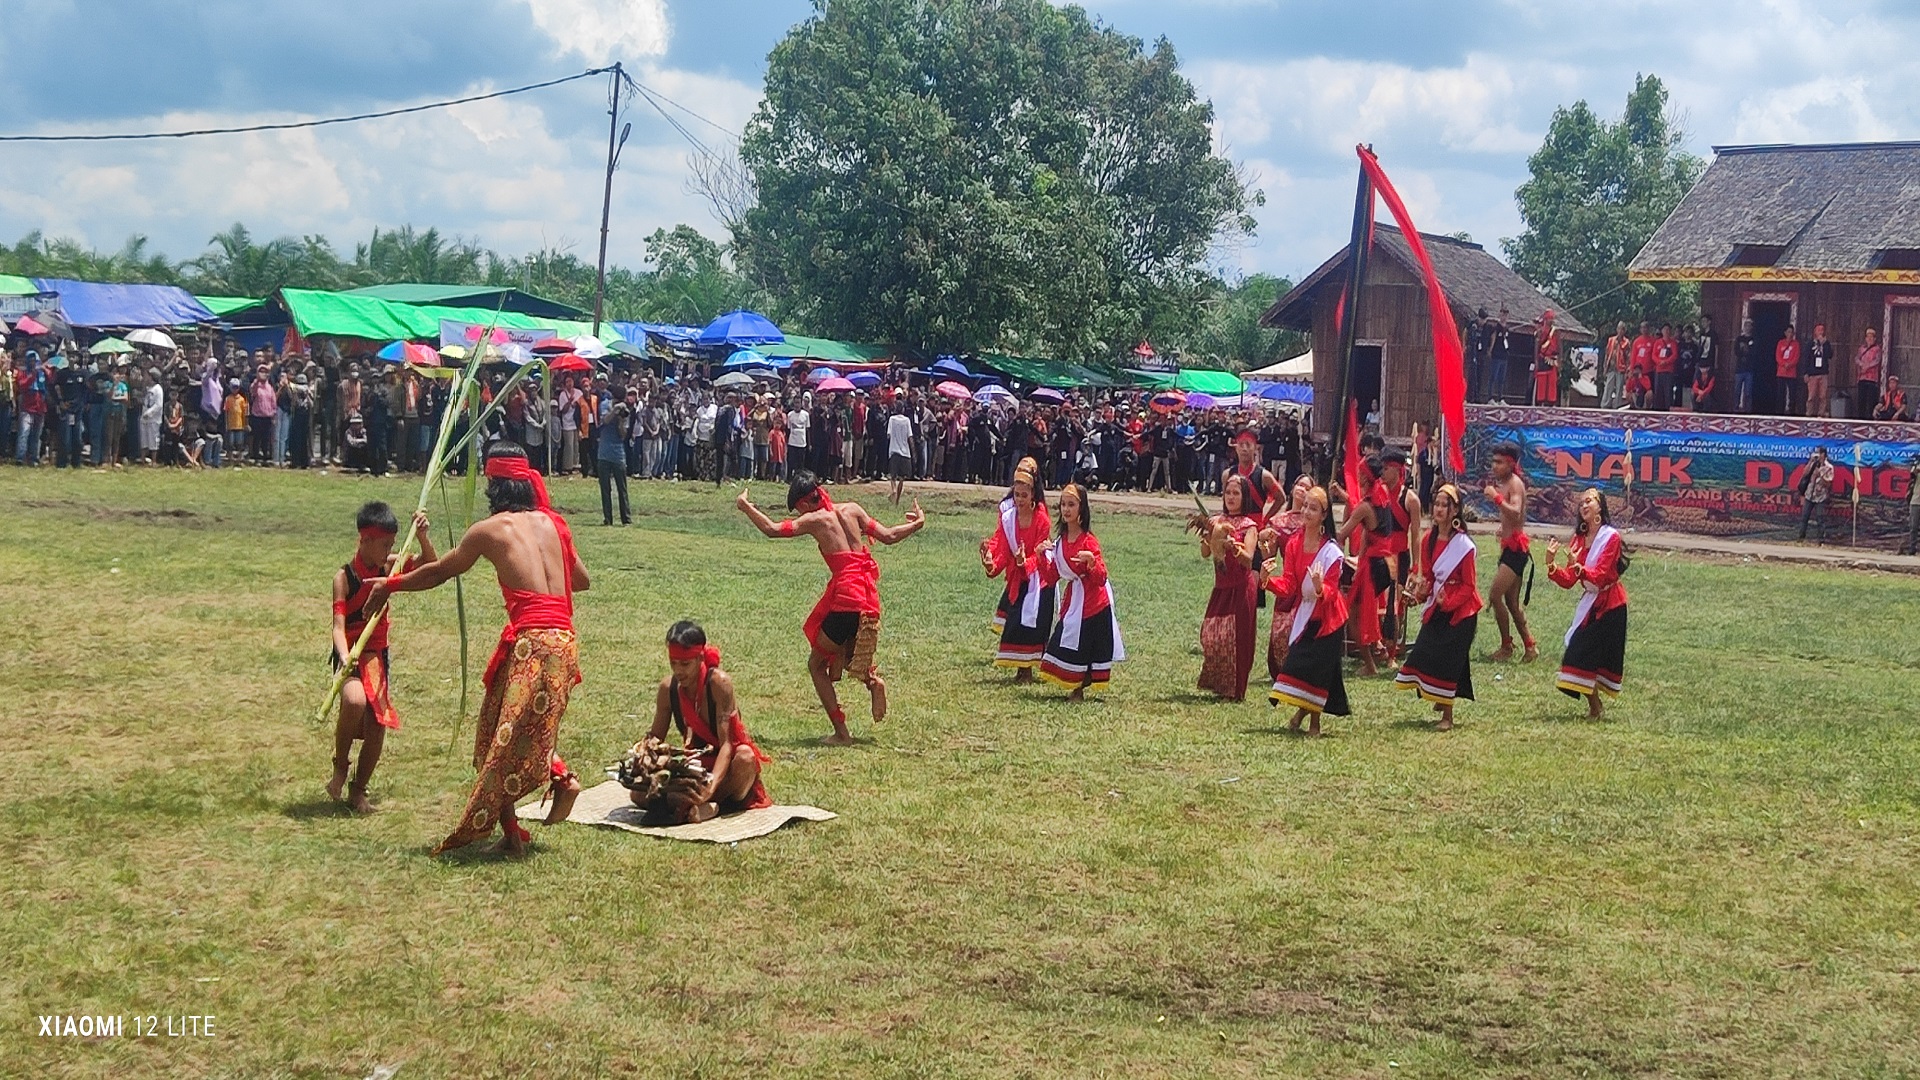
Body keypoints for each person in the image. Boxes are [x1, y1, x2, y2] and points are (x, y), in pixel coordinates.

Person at [364, 443, 590, 857]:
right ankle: (513, 835)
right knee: (496, 732)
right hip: (563, 643)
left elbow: (439, 572)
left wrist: (389, 585)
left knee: (502, 741)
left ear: (492, 486)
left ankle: (561, 780)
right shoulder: (554, 523)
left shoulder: (488, 530)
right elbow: (581, 581)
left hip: (532, 646)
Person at [735, 471, 925, 744]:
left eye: (799, 508)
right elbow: (889, 535)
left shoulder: (814, 520)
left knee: (816, 665)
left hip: (846, 599)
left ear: (803, 503)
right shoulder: (853, 509)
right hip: (868, 597)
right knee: (844, 653)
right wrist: (917, 523)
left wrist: (745, 506)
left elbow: (772, 530)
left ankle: (842, 733)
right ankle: (872, 681)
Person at [328, 502, 435, 814]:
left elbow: (431, 566)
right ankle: (340, 765)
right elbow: (337, 627)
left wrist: (423, 537)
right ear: (365, 540)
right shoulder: (343, 578)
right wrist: (345, 656)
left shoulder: (390, 567)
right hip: (350, 654)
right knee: (354, 701)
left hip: (376, 656)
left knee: (377, 725)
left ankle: (358, 790)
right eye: (385, 544)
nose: (390, 550)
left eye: (392, 544)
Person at [642, 621, 773, 822]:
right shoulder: (668, 689)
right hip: (694, 765)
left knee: (746, 758)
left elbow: (727, 745)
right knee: (637, 793)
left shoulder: (719, 684)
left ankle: (708, 803)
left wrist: (710, 789)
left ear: (700, 658)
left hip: (726, 768)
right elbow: (656, 738)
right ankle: (701, 806)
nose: (678, 671)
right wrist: (643, 755)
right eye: (673, 663)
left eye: (685, 664)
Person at [1393, 484, 1480, 731]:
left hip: (1461, 612)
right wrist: (1420, 594)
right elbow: (1430, 577)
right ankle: (1441, 698)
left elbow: (1469, 586)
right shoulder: (1428, 540)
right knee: (1426, 650)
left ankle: (1447, 716)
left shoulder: (1463, 546)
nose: (1439, 509)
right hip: (1439, 607)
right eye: (1437, 504)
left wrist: (1448, 602)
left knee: (1449, 661)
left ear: (1455, 511)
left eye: (1445, 505)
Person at [1266, 485, 1348, 735]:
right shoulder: (1294, 544)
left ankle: (1314, 724)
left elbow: (1332, 591)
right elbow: (1290, 584)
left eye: (1313, 508)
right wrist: (1267, 582)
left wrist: (1320, 587)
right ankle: (1301, 715)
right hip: (1306, 613)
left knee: (1318, 672)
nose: (1306, 512)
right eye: (1305, 506)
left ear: (1324, 515)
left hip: (1329, 619)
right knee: (1303, 666)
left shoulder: (1331, 552)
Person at [1544, 488, 1629, 719]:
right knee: (1578, 653)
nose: (1584, 505)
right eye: (1581, 502)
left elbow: (1600, 576)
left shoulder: (1611, 537)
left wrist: (1579, 568)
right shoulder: (1578, 539)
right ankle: (1595, 706)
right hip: (1591, 603)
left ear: (1600, 507)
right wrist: (1551, 564)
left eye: (1589, 501)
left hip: (1611, 605)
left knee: (1584, 655)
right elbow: (1569, 580)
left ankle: (1595, 707)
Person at [1036, 482, 1124, 700]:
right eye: (1063, 505)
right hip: (1074, 603)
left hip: (1094, 604)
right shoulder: (1060, 543)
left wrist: (1092, 562)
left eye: (1071, 505)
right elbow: (1052, 577)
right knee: (1066, 640)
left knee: (1085, 648)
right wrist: (1040, 556)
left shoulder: (1088, 541)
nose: (1066, 509)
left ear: (1081, 509)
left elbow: (1101, 578)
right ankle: (1074, 684)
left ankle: (1078, 688)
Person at [980, 456, 1053, 681]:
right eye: (1017, 495)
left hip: (1038, 579)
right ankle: (1022, 669)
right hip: (1018, 577)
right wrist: (991, 562)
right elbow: (1002, 547)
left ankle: (1027, 669)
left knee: (1031, 624)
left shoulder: (1042, 519)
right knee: (1017, 622)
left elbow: (1041, 552)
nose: (1019, 500)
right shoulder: (1008, 517)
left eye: (1024, 495)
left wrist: (1025, 562)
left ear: (1033, 494)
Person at [1193, 473, 1261, 701]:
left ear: (1244, 497)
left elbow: (1248, 560)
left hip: (1241, 588)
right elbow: (1205, 554)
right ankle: (1220, 683)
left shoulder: (1249, 526)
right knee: (1212, 635)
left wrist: (1234, 548)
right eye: (1228, 493)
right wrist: (1208, 536)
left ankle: (1236, 690)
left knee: (1238, 640)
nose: (1231, 497)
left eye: (1236, 493)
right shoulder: (1217, 521)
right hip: (1221, 586)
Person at [1482, 442, 1537, 662]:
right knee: (1512, 603)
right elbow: (1513, 519)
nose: (1494, 466)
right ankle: (1530, 646)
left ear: (1511, 464)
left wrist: (1496, 497)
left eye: (1499, 462)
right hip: (1510, 548)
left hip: (1516, 551)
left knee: (1495, 596)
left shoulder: (1514, 484)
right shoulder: (1507, 483)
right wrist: (1503, 529)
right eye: (1493, 461)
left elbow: (1515, 511)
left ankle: (1506, 646)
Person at [596, 387, 631, 526]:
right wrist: (614, 411)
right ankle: (608, 519)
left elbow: (623, 435)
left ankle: (626, 518)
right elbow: (604, 421)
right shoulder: (605, 404)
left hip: (618, 454)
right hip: (604, 453)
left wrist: (621, 421)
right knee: (605, 488)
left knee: (622, 488)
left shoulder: (625, 410)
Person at [1796, 446, 1835, 544]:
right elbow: (1805, 474)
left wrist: (1820, 475)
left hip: (1820, 496)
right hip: (1809, 494)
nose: (1817, 455)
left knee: (1820, 518)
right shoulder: (1813, 464)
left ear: (1823, 454)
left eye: (1819, 453)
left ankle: (1821, 540)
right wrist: (1810, 461)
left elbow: (1829, 484)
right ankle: (1801, 538)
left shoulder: (1829, 467)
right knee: (1804, 516)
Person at [886, 403, 913, 507]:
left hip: (894, 451)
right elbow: (910, 437)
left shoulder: (892, 419)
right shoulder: (907, 420)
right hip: (905, 452)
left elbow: (888, 435)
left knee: (893, 476)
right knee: (902, 478)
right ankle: (897, 501)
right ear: (903, 410)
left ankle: (893, 490)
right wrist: (913, 451)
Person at [1531, 310, 1560, 406]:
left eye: (1552, 318)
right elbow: (1537, 347)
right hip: (1542, 358)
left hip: (1552, 360)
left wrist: (1559, 361)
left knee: (1552, 382)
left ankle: (1551, 402)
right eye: (1549, 318)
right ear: (1545, 319)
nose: (1551, 320)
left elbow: (1559, 347)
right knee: (1542, 382)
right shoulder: (1540, 332)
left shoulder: (1556, 332)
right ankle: (1540, 401)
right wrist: (1536, 361)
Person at [1805, 323, 1834, 417]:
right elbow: (1806, 358)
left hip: (1823, 373)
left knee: (1823, 396)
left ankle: (1821, 413)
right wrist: (1806, 373)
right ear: (1815, 332)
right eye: (1819, 330)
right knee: (1811, 396)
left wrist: (1824, 343)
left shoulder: (1826, 343)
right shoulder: (1810, 344)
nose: (1821, 332)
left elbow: (1830, 355)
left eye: (1822, 330)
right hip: (1812, 373)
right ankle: (1809, 413)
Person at [1855, 328, 1882, 419]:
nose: (1869, 339)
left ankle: (1870, 419)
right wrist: (1861, 364)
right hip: (1862, 378)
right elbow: (1857, 358)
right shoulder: (1861, 349)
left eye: (1871, 337)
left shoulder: (1877, 349)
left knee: (1871, 401)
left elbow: (1877, 360)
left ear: (1874, 339)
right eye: (1868, 337)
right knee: (1861, 400)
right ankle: (1861, 418)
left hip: (1872, 379)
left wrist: (1867, 366)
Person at [1775, 323, 1802, 416]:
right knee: (1780, 394)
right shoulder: (1780, 343)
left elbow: (1796, 357)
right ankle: (1779, 412)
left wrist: (1789, 364)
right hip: (1781, 372)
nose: (1790, 334)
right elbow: (1778, 357)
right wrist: (1784, 364)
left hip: (1791, 373)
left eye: (1792, 332)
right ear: (1785, 333)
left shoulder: (1796, 344)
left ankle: (1791, 412)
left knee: (1792, 394)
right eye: (1788, 332)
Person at [1602, 321, 1629, 409]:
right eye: (1619, 329)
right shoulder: (1611, 340)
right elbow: (1607, 353)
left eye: (1622, 329)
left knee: (1619, 388)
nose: (1620, 331)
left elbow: (1628, 357)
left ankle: (1617, 405)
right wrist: (1605, 366)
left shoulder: (1626, 342)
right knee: (1608, 386)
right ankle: (1605, 404)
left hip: (1621, 368)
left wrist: (1627, 369)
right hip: (1611, 367)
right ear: (1617, 329)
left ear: (1624, 331)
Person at [1734, 319, 1759, 413]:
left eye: (1749, 326)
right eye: (1746, 325)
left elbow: (1754, 353)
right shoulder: (1739, 339)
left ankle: (1748, 410)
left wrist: (1746, 349)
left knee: (1748, 392)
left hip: (1749, 369)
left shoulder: (1754, 340)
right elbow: (1736, 351)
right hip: (1739, 369)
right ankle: (1735, 409)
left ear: (1751, 327)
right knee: (1737, 390)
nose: (1747, 328)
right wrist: (1743, 352)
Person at [1900, 457, 1920, 557]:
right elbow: (1912, 474)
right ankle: (1912, 549)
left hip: (1915, 501)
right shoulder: (1917, 468)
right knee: (1913, 527)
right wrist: (1916, 466)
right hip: (1915, 501)